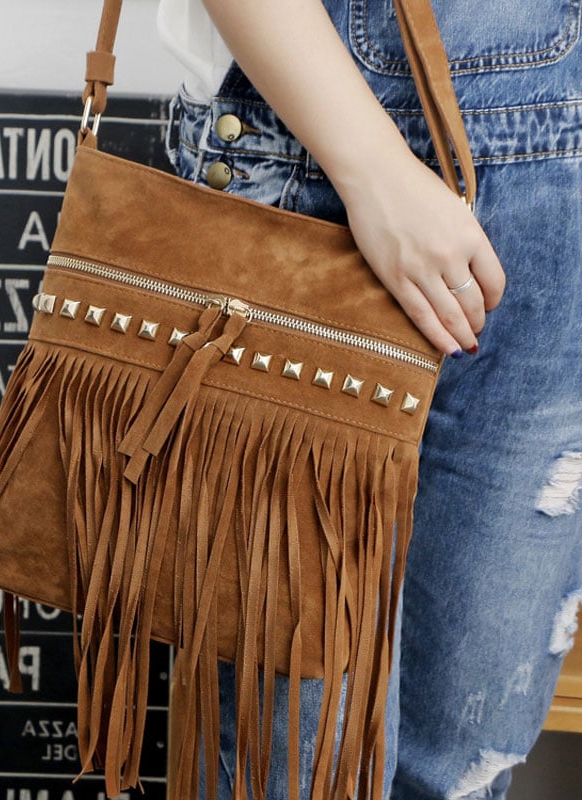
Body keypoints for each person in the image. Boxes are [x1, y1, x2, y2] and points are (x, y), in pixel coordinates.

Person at [157, 0, 582, 798]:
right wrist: (375, 173)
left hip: (561, 214)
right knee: (295, 766)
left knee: (462, 760)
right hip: (312, 170)